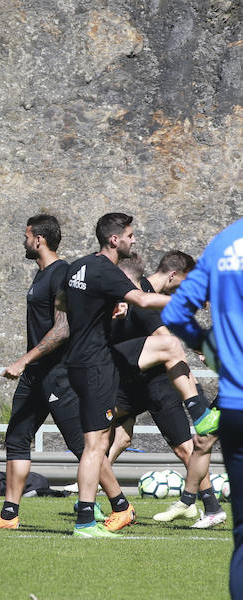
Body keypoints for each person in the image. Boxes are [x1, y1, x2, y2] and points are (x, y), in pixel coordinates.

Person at [63, 213, 206, 538]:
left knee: (97, 444)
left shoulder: (78, 267)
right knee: (95, 446)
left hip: (79, 362)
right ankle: (85, 522)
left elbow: (63, 302)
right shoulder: (105, 269)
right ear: (114, 240)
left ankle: (102, 512)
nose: (134, 240)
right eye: (130, 235)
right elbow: (142, 299)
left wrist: (102, 309)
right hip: (96, 364)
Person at [0, 214, 86, 529]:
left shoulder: (61, 273)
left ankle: (122, 505)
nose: (23, 242)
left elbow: (62, 330)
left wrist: (24, 359)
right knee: (18, 437)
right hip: (35, 374)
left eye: (26, 236)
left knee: (81, 446)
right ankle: (9, 515)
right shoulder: (41, 275)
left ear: (39, 239)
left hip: (56, 374)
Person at [105, 252, 225, 528]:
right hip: (134, 382)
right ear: (173, 276)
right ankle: (94, 490)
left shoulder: (146, 299)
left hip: (158, 383)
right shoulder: (140, 296)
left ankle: (210, 507)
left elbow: (171, 338)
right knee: (109, 433)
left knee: (186, 448)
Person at [162, 218, 243, 599]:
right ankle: (193, 501)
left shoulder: (224, 242)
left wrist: (211, 348)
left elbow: (176, 313)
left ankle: (193, 502)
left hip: (235, 404)